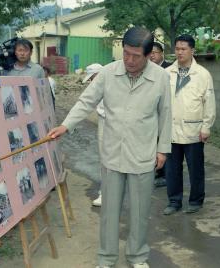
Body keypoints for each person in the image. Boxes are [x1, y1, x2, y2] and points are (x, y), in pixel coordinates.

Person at [48, 27, 171, 268]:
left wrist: (162, 149)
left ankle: (137, 256)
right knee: (109, 212)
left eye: (136, 56)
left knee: (139, 212)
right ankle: (106, 258)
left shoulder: (161, 77)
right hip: (113, 153)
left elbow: (166, 114)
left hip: (143, 153)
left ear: (148, 55)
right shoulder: (108, 73)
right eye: (126, 53)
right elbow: (86, 101)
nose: (130, 60)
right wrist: (66, 125)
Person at [163, 34, 216, 215]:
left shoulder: (202, 74)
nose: (179, 52)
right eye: (177, 49)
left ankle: (195, 200)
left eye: (183, 49)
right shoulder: (167, 73)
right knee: (172, 169)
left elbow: (209, 102)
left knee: (196, 169)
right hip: (171, 130)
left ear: (192, 50)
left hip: (194, 130)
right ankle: (174, 201)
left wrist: (206, 126)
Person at [82, 63, 106, 207]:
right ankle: (106, 192)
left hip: (115, 126)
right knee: (105, 160)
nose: (91, 82)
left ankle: (106, 194)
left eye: (92, 78)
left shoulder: (111, 84)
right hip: (104, 123)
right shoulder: (97, 88)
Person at [150, 42, 171, 188]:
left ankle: (164, 174)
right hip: (151, 114)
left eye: (155, 52)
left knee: (163, 144)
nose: (152, 55)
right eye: (149, 52)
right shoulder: (147, 69)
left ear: (161, 53)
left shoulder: (169, 69)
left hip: (165, 112)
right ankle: (156, 171)